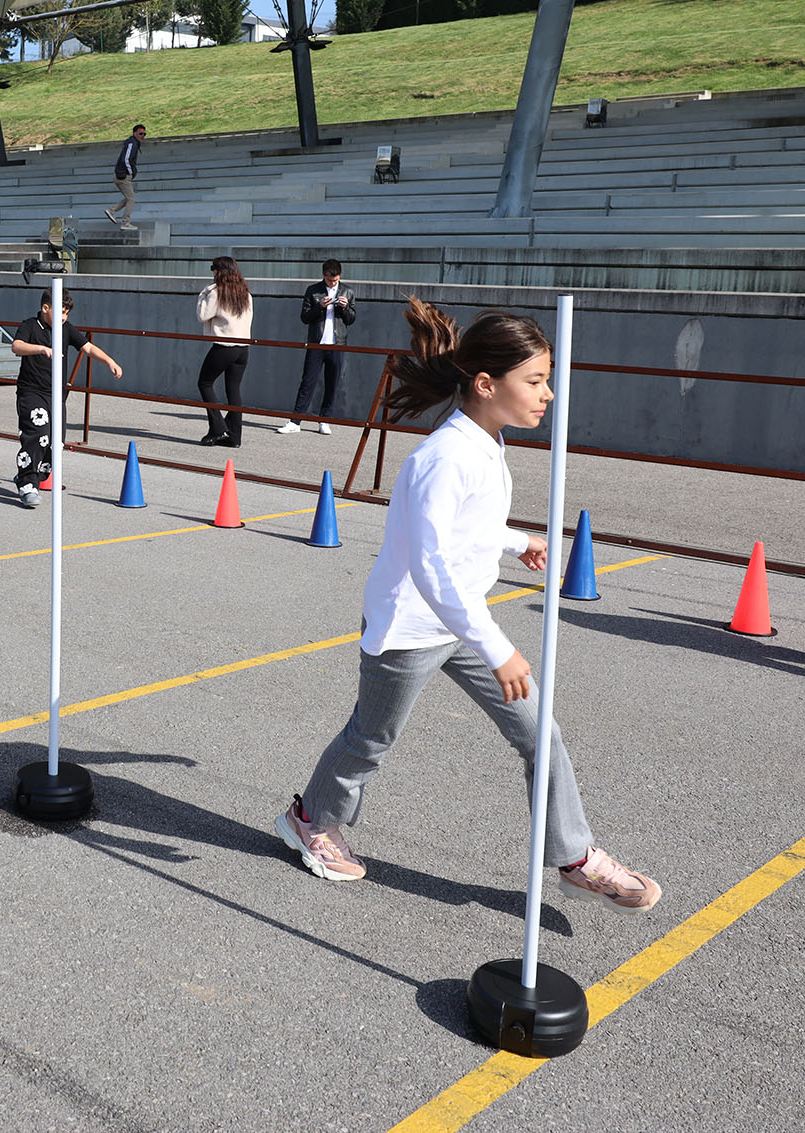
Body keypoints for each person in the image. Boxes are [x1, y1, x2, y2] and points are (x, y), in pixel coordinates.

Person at [274, 299, 662, 914]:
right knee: (370, 739)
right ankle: (310, 818)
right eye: (535, 381)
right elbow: (431, 566)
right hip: (410, 628)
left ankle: (574, 856)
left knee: (541, 733)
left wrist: (516, 540)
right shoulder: (445, 456)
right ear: (486, 384)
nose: (549, 396)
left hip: (462, 624)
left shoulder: (486, 441)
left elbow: (466, 528)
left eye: (548, 380)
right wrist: (498, 648)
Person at [11, 291, 123, 508]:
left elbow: (88, 347)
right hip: (31, 391)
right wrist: (42, 349)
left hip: (56, 394)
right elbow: (17, 346)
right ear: (46, 308)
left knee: (56, 442)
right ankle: (27, 484)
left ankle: (32, 475)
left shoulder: (66, 329)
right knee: (38, 433)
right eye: (61, 312)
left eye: (67, 313)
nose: (64, 317)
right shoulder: (30, 325)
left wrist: (110, 361)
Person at [278, 259, 358, 435]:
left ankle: (324, 420)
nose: (333, 283)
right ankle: (295, 420)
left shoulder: (348, 291)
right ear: (324, 275)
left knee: (332, 383)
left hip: (338, 344)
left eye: (336, 280)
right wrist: (320, 307)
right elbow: (305, 317)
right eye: (330, 280)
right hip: (316, 342)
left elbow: (351, 319)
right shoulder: (313, 290)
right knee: (308, 382)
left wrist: (345, 308)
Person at [195, 256, 253, 446]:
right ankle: (235, 437)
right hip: (243, 347)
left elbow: (203, 315)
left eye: (213, 268)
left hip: (224, 346)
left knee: (205, 383)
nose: (211, 271)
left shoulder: (216, 292)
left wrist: (204, 292)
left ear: (219, 271)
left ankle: (218, 429)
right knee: (233, 391)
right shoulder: (245, 292)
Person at [105, 123, 146, 226]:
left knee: (129, 198)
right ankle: (125, 222)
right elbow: (126, 159)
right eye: (140, 133)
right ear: (134, 133)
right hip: (123, 175)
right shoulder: (132, 143)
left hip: (122, 175)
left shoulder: (134, 144)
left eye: (144, 134)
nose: (142, 136)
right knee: (131, 199)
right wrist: (130, 172)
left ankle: (112, 210)